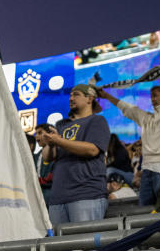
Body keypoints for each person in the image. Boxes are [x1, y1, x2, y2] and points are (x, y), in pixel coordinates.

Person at [96, 71, 160, 206]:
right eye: (151, 96)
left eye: (156, 96)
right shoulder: (147, 118)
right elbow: (126, 108)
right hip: (147, 170)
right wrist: (106, 96)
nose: (152, 99)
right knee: (145, 212)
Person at [41, 84, 110, 225]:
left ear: (89, 99)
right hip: (58, 197)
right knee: (60, 247)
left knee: (86, 245)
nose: (71, 98)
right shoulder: (61, 125)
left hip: (86, 194)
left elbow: (92, 150)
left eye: (76, 94)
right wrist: (51, 143)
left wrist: (59, 140)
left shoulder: (97, 121)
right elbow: (47, 157)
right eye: (70, 95)